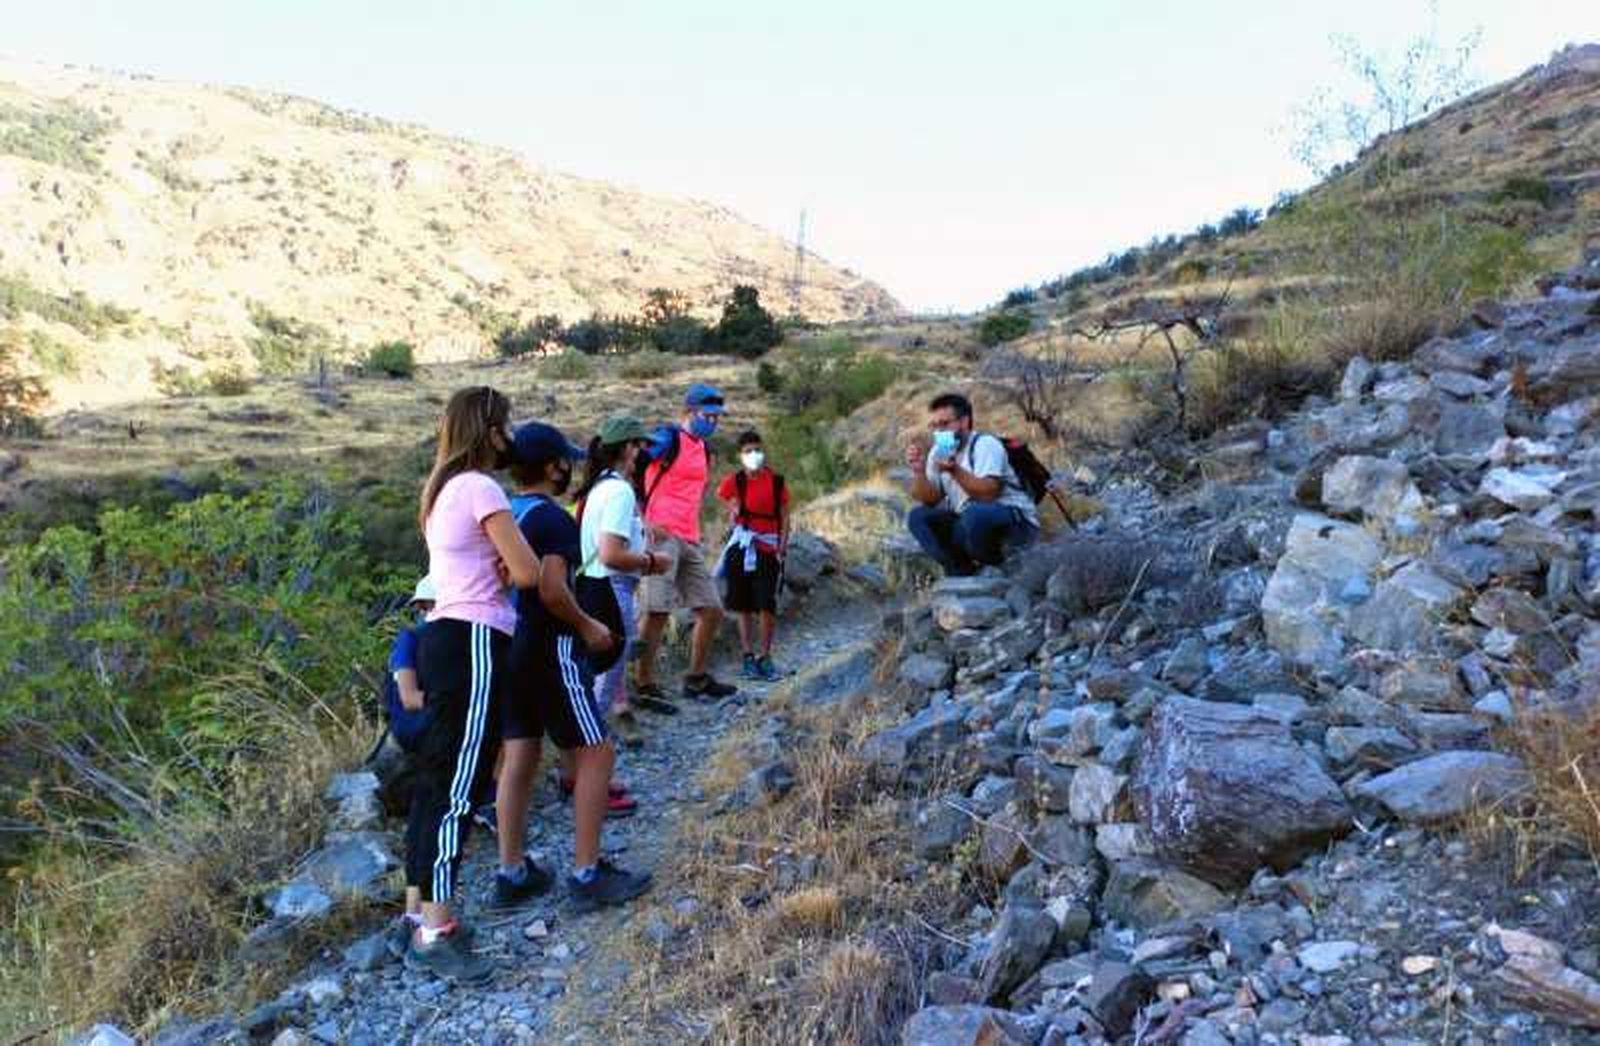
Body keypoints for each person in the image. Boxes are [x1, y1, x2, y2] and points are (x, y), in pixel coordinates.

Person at [406, 385, 542, 984]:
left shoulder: (438, 492)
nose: (508, 437)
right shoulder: (482, 487)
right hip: (476, 640)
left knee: (435, 779)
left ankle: (416, 915)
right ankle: (439, 931)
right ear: (489, 430)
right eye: (504, 426)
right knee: (462, 783)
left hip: (442, 639)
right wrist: (507, 567)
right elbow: (529, 571)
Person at [502, 420, 653, 912]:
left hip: (510, 645)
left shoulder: (509, 513)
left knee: (520, 755)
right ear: (552, 467)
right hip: (551, 646)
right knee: (596, 752)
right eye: (563, 460)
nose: (570, 467)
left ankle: (512, 870)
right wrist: (588, 625)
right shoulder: (552, 520)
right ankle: (587, 873)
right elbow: (551, 587)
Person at [635, 383, 739, 703]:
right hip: (661, 536)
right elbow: (635, 464)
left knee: (711, 609)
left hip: (689, 537)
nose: (714, 422)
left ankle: (696, 678)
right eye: (709, 416)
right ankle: (644, 684)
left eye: (717, 418)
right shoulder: (668, 438)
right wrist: (642, 518)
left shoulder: (704, 449)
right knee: (656, 610)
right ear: (690, 412)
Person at [576, 414, 672, 735]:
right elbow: (611, 554)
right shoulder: (620, 492)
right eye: (642, 445)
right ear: (629, 448)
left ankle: (580, 763)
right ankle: (586, 762)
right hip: (613, 590)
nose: (646, 452)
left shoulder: (599, 487)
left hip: (595, 586)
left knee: (598, 677)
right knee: (603, 685)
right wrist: (650, 561)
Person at [905, 392, 1039, 576]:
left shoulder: (985, 444)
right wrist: (919, 472)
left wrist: (954, 470)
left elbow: (989, 493)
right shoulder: (938, 451)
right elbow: (931, 499)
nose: (939, 432)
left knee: (975, 513)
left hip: (1013, 523)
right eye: (934, 426)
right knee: (918, 516)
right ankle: (960, 571)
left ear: (964, 421)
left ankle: (1000, 565)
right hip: (969, 525)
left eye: (945, 424)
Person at [384, 575, 435, 960]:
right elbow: (409, 697)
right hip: (422, 742)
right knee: (425, 823)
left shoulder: (420, 640)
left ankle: (414, 912)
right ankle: (417, 916)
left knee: (425, 821)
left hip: (427, 741)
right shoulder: (411, 640)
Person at [715, 429, 790, 681]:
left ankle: (765, 656)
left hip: (768, 548)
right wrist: (732, 508)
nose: (753, 455)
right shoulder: (735, 481)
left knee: (766, 604)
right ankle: (748, 656)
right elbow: (723, 498)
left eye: (757, 450)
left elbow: (784, 514)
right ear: (740, 455)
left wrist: (783, 544)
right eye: (748, 451)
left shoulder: (776, 481)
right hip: (742, 547)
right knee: (743, 604)